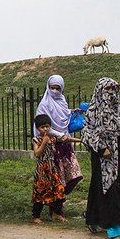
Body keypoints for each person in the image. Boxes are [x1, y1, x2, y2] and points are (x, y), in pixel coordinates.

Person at [81, 77, 120, 239]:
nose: (110, 92)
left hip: (117, 156)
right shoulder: (93, 111)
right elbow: (87, 133)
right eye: (107, 89)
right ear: (100, 90)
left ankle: (93, 219)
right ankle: (115, 229)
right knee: (108, 189)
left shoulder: (118, 110)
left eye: (113, 89)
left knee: (102, 188)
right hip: (101, 156)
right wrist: (102, 148)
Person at [35, 74, 83, 215]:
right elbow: (42, 125)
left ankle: (58, 204)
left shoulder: (62, 101)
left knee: (74, 176)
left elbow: (63, 116)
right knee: (58, 179)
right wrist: (58, 135)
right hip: (52, 146)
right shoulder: (44, 104)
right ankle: (56, 209)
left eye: (58, 88)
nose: (54, 91)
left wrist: (72, 112)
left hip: (66, 145)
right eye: (52, 88)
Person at [31, 113, 66, 223]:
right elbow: (37, 153)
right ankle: (36, 216)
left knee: (59, 190)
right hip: (42, 170)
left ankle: (56, 213)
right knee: (40, 192)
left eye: (47, 126)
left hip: (53, 169)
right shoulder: (36, 139)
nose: (45, 129)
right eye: (42, 127)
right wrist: (44, 143)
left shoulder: (53, 138)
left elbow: (65, 139)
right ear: (37, 128)